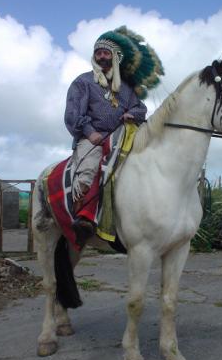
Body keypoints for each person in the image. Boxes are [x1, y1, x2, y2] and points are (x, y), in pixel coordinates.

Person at [64, 27, 164, 242]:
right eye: (98, 53)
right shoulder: (82, 82)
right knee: (89, 172)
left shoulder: (126, 88)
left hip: (122, 138)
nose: (101, 56)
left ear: (115, 57)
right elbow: (73, 115)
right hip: (93, 140)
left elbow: (141, 109)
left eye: (106, 53)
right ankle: (81, 218)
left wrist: (131, 113)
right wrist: (90, 133)